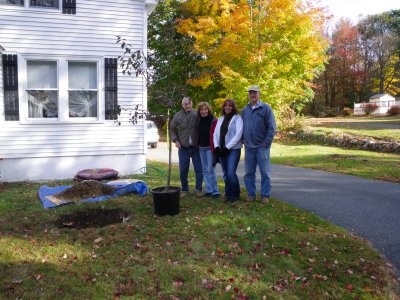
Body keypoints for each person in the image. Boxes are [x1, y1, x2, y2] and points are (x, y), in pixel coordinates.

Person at [241, 85, 276, 204]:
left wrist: (266, 143)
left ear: (259, 94)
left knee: (265, 173)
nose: (252, 95)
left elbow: (272, 128)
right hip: (249, 147)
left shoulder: (266, 108)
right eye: (250, 93)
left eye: (254, 93)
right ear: (248, 95)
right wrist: (243, 140)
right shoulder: (245, 110)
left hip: (262, 147)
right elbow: (242, 127)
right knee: (249, 173)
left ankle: (265, 195)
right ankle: (251, 194)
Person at [170, 97, 203, 196]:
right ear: (182, 105)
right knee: (183, 170)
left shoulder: (197, 113)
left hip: (196, 147)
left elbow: (206, 121)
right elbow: (172, 129)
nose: (187, 106)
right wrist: (175, 140)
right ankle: (184, 189)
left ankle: (198, 189)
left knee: (199, 169)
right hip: (183, 148)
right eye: (185, 104)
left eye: (189, 103)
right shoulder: (177, 116)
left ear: (192, 104)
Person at [213, 99, 243, 203]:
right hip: (221, 149)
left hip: (233, 150)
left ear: (233, 107)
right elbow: (215, 134)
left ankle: (235, 194)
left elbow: (238, 135)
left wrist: (227, 147)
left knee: (231, 173)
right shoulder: (221, 118)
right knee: (225, 174)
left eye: (230, 106)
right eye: (226, 106)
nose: (228, 107)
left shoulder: (237, 118)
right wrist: (217, 146)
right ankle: (228, 193)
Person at [197, 102, 221, 198]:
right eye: (202, 109)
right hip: (201, 147)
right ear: (199, 111)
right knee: (205, 170)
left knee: (211, 169)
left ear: (208, 110)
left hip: (210, 148)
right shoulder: (198, 120)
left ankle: (215, 191)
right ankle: (208, 190)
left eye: (205, 109)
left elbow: (217, 134)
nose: (204, 111)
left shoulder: (214, 120)